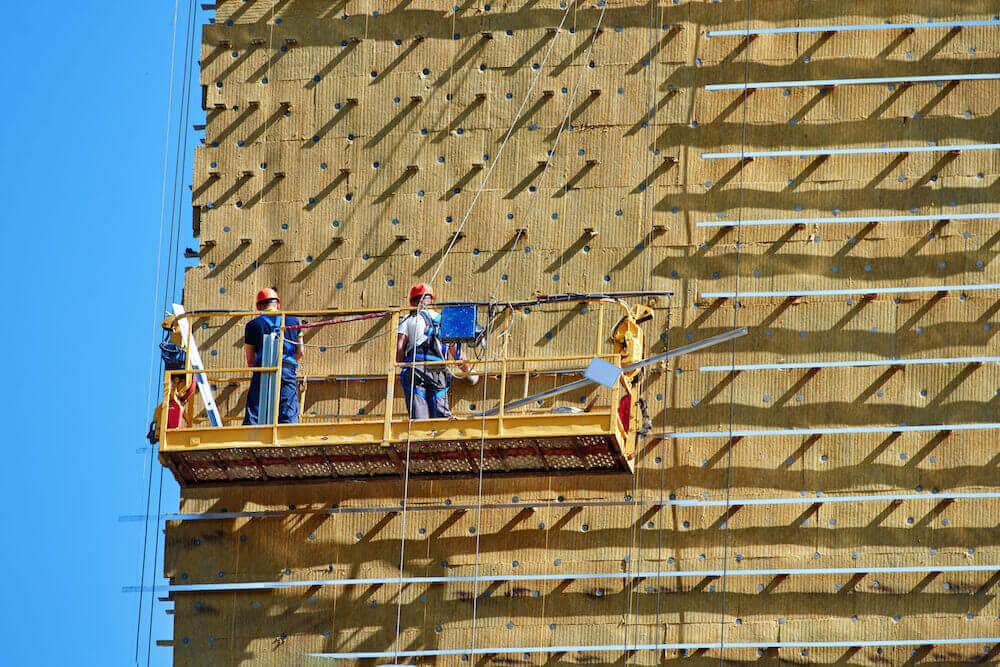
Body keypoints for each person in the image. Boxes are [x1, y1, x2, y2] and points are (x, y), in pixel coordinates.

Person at [395, 283, 475, 419]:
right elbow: (458, 354)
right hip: (438, 370)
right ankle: (441, 437)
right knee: (440, 411)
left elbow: (399, 351)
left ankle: (419, 435)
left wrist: (404, 362)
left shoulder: (408, 319)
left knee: (418, 414)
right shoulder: (444, 320)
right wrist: (469, 372)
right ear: (431, 300)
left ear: (412, 302)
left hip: (415, 368)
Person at [244, 288, 303, 424]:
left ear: (258, 306)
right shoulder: (294, 321)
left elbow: (250, 359)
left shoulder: (252, 325)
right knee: (288, 410)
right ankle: (288, 438)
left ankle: (251, 439)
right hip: (286, 369)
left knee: (255, 410)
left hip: (262, 368)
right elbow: (300, 352)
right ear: (278, 303)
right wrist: (287, 365)